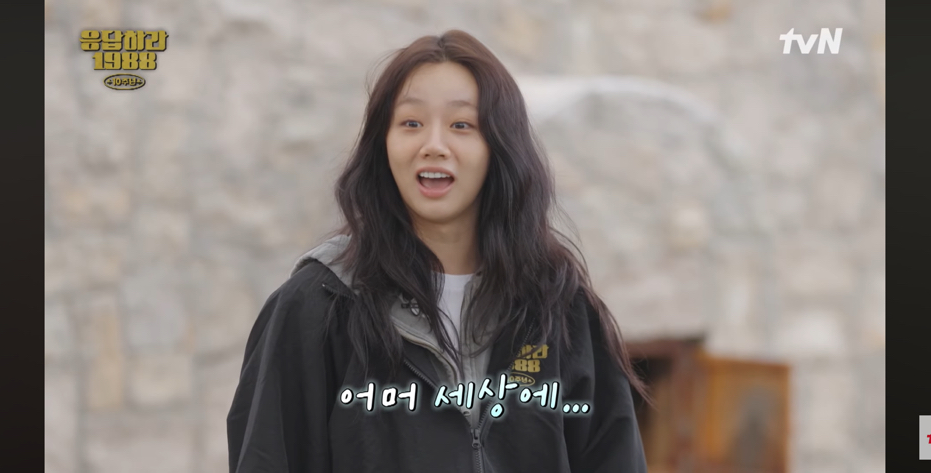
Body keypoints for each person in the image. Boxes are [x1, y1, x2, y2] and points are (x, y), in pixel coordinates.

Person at [227, 29, 650, 473]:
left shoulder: (560, 310)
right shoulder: (317, 307)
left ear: (499, 146)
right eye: (411, 123)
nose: (433, 145)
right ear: (382, 144)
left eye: (461, 125)